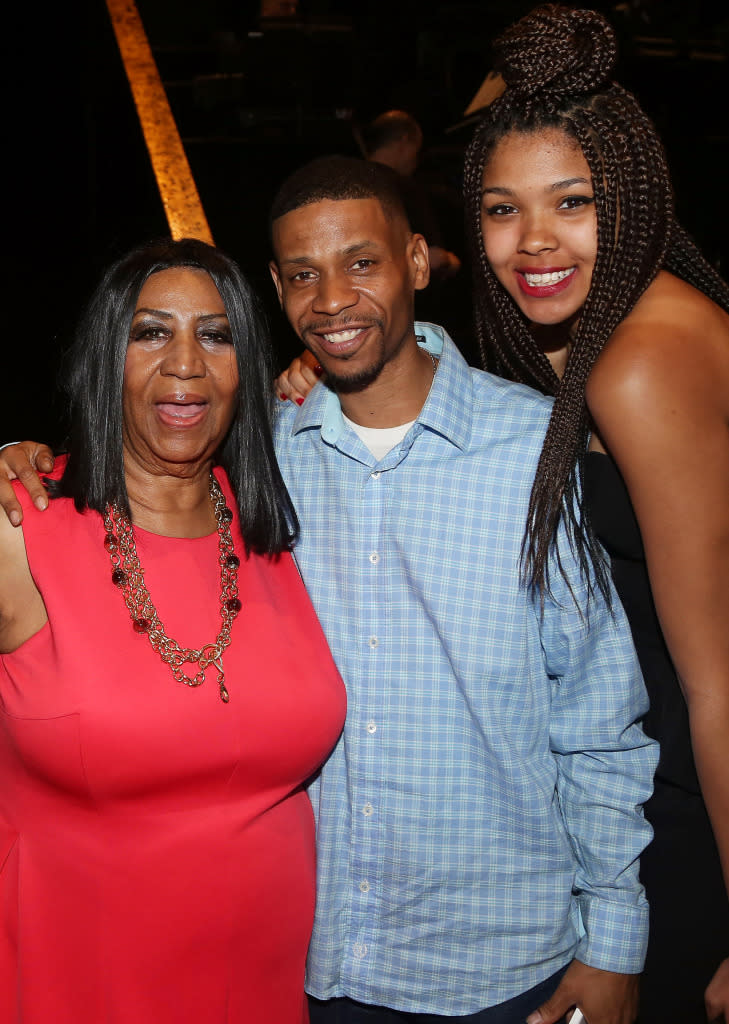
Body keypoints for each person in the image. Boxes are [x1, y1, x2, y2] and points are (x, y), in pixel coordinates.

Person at [1, 159, 657, 1024]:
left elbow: (599, 718)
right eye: (303, 275)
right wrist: (32, 459)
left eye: (362, 263)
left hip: (496, 967)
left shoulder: (532, 448)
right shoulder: (270, 459)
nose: (333, 298)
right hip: (312, 971)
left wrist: (614, 940)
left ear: (419, 263)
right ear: (276, 290)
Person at [458, 6, 729, 1022]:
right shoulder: (612, 328)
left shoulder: (642, 359)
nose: (533, 241)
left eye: (572, 203)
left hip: (694, 820)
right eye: (501, 210)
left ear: (635, 194)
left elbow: (722, 675)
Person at [0, 238, 345, 1024]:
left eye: (217, 335)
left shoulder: (285, 522)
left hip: (263, 977)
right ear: (104, 356)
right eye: (150, 332)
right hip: (71, 976)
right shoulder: (21, 527)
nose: (186, 362)